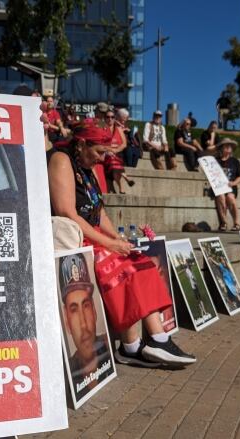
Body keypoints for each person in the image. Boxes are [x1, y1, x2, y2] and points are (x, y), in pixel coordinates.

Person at [48, 125, 196, 367]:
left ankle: (156, 339)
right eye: (99, 152)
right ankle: (132, 347)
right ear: (82, 143)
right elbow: (67, 212)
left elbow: (100, 212)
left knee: (140, 261)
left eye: (106, 153)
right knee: (120, 266)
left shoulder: (90, 168)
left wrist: (116, 240)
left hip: (94, 234)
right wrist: (108, 243)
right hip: (76, 237)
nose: (103, 159)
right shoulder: (62, 160)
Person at [59, 252, 113, 398]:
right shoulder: (66, 372)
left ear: (95, 311)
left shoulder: (108, 349)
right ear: (66, 320)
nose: (83, 324)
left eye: (86, 305)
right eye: (74, 310)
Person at [212, 139, 240, 232]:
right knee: (221, 196)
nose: (229, 147)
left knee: (230, 198)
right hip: (219, 187)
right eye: (226, 145)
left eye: (230, 146)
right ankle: (223, 222)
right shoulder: (215, 161)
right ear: (221, 148)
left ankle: (236, 223)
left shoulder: (235, 161)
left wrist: (233, 183)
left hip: (231, 186)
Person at [103, 109, 135, 194]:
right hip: (106, 154)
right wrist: (108, 150)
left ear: (114, 118)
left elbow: (124, 144)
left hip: (117, 153)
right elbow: (100, 144)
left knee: (113, 161)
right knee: (111, 159)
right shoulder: (102, 129)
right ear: (105, 119)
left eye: (112, 117)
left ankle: (123, 182)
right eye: (108, 117)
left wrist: (115, 150)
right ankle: (124, 181)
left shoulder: (119, 129)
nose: (110, 119)